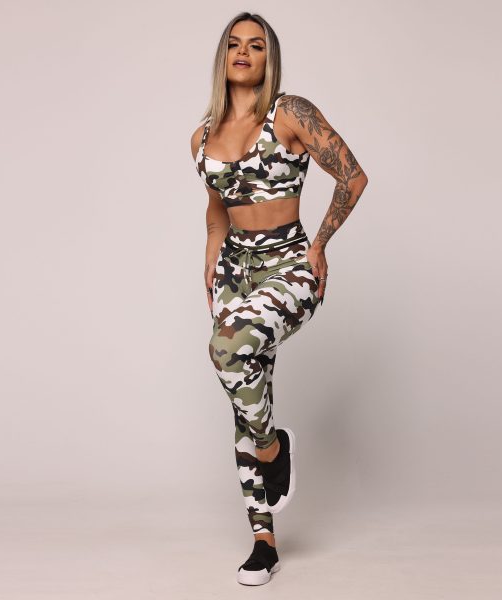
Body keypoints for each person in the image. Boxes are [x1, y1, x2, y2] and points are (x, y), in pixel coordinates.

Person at [190, 11, 368, 586]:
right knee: (244, 395)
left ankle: (272, 448)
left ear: (270, 58)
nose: (244, 52)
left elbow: (353, 176)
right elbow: (218, 205)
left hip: (289, 266)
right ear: (223, 56)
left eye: (257, 45)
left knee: (227, 349)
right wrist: (211, 254)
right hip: (233, 273)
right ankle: (262, 542)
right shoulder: (202, 136)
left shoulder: (290, 112)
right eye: (234, 43)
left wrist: (320, 243)